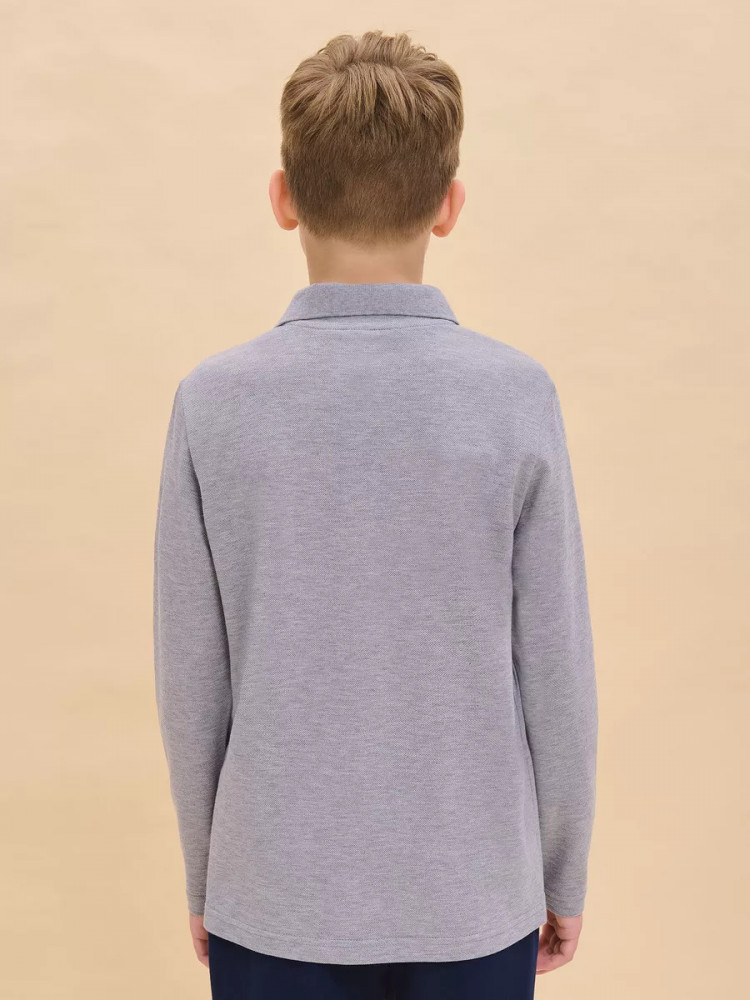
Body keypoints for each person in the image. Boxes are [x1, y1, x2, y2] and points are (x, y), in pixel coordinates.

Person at [153, 28, 598, 1000]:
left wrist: (207, 872)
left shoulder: (213, 402)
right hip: (475, 894)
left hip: (272, 894)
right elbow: (555, 663)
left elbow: (193, 675)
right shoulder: (516, 397)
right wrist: (561, 871)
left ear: (283, 198)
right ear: (449, 205)